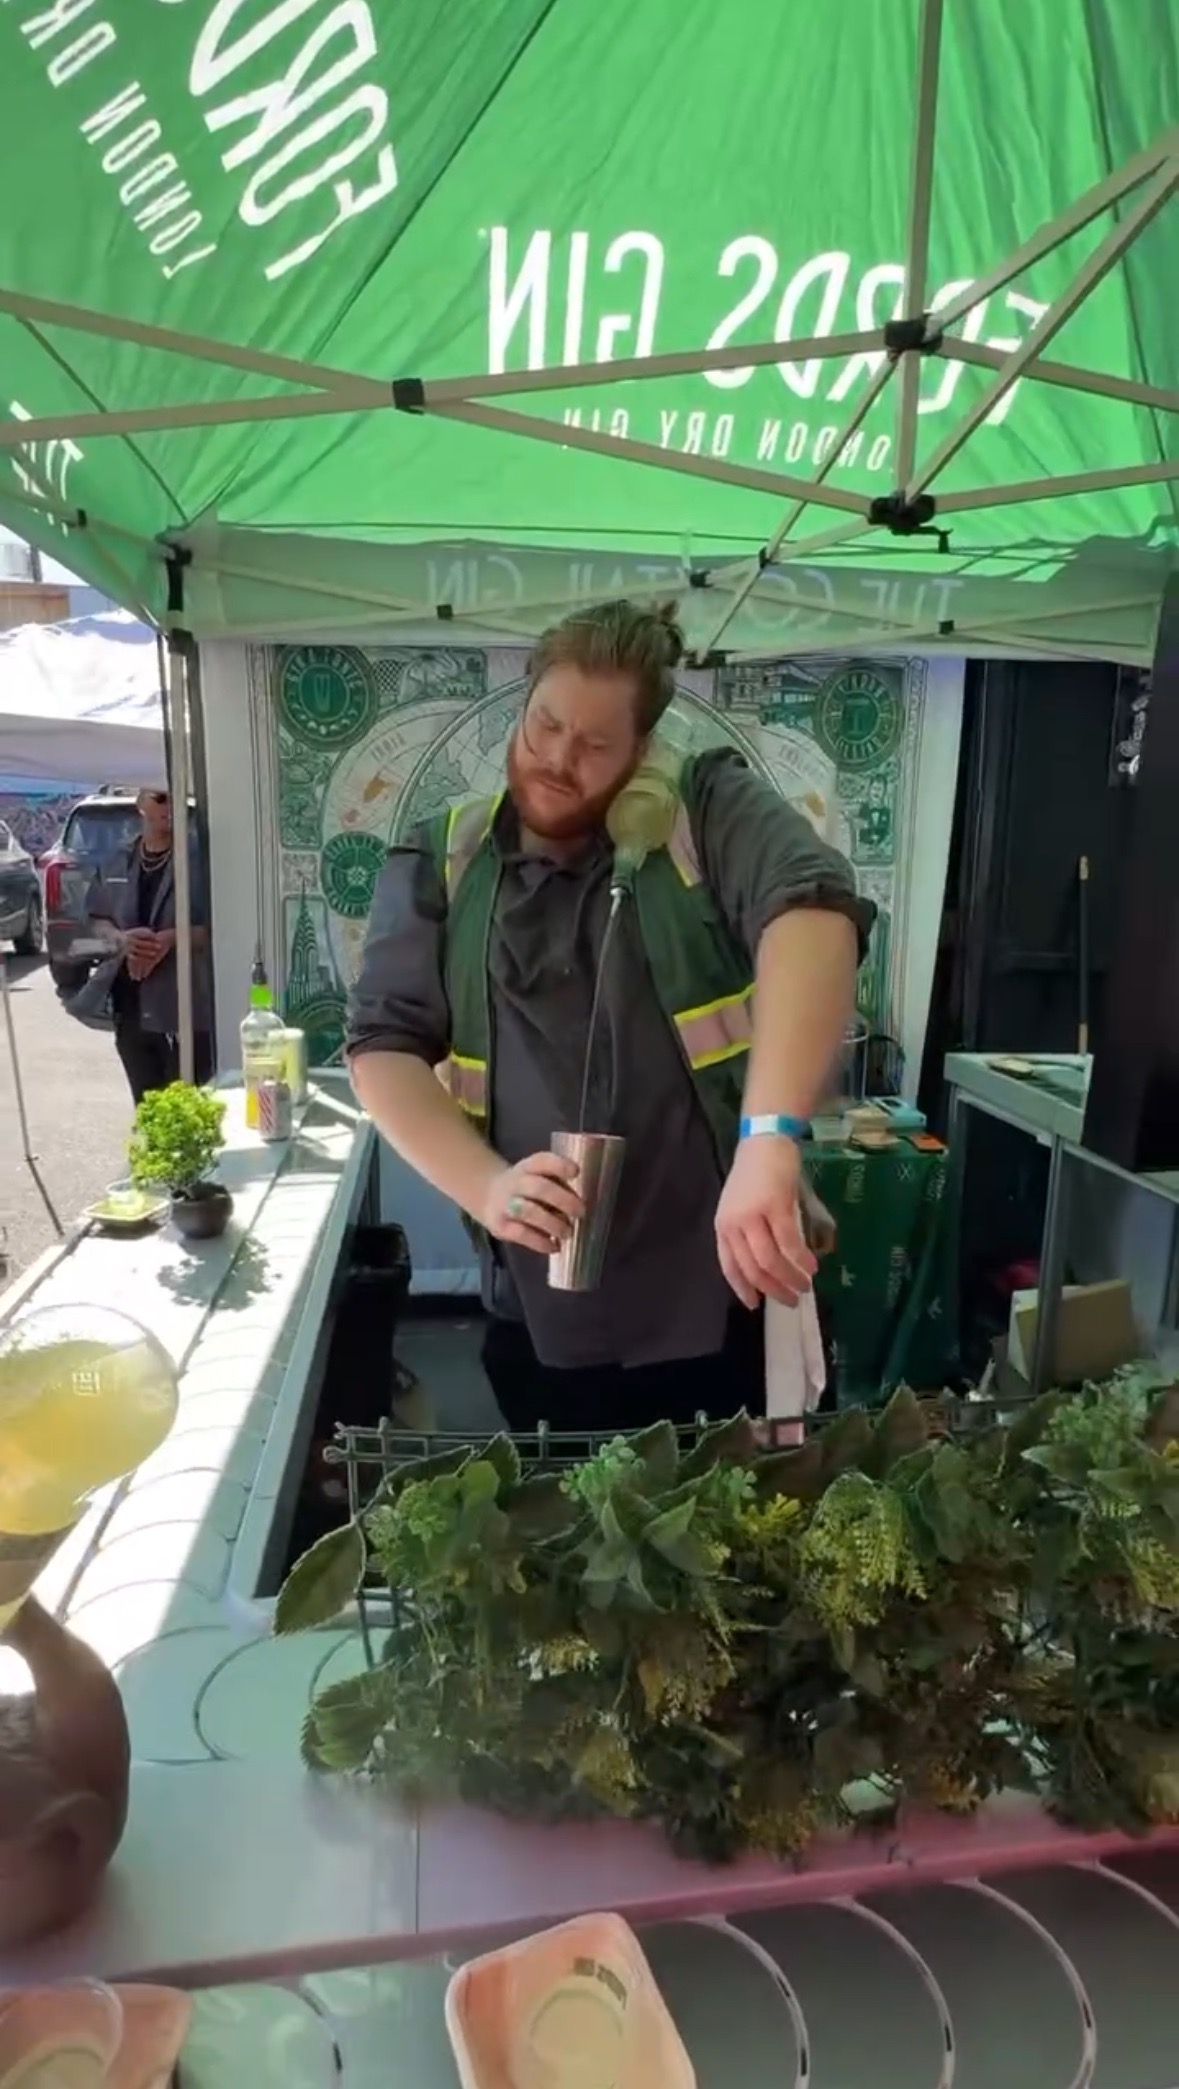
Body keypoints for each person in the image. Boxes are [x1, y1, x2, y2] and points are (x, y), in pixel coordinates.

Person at [347, 601, 875, 1436]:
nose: (558, 760)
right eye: (545, 725)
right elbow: (381, 1046)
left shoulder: (702, 811)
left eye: (595, 745)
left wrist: (769, 1138)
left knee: (731, 1529)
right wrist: (486, 1187)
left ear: (642, 749)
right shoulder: (442, 858)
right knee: (569, 1536)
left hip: (716, 1290)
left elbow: (814, 911)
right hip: (537, 1301)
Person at [86, 787, 214, 1104]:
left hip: (184, 1004)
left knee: (187, 1104)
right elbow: (95, 919)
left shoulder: (200, 861)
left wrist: (170, 939)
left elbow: (223, 927)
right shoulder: (119, 859)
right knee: (146, 1105)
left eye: (181, 799)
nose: (171, 806)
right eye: (160, 797)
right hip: (130, 1003)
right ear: (140, 803)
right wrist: (122, 940)